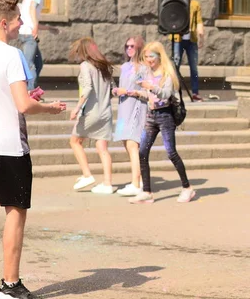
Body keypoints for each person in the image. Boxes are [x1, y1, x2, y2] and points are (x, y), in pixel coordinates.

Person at [0, 0, 65, 298]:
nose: (21, 25)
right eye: (17, 20)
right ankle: (10, 286)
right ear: (4, 22)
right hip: (10, 148)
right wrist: (48, 107)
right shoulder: (11, 56)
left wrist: (27, 100)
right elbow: (23, 106)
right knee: (15, 214)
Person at [129, 41, 196, 204]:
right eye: (146, 57)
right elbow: (150, 95)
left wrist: (150, 87)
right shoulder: (149, 74)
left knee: (171, 152)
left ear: (159, 56)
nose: (148, 60)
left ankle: (187, 188)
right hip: (151, 116)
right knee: (142, 152)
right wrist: (138, 93)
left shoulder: (167, 73)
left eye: (151, 56)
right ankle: (147, 192)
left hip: (166, 116)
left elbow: (165, 94)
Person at [69, 38, 115, 194]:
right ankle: (108, 184)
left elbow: (87, 88)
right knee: (102, 147)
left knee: (75, 141)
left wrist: (77, 108)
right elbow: (112, 90)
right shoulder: (104, 67)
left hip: (91, 112)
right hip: (106, 112)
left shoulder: (85, 66)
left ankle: (87, 174)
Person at [113, 36, 149, 197]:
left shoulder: (143, 68)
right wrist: (117, 91)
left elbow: (148, 92)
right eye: (127, 46)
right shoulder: (125, 66)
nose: (129, 49)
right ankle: (138, 178)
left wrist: (129, 92)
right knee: (125, 142)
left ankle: (136, 183)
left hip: (136, 108)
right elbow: (122, 87)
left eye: (132, 46)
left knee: (133, 144)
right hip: (123, 109)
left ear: (139, 48)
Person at [18, 0, 58, 90]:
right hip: (29, 35)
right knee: (30, 65)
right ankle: (30, 92)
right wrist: (35, 27)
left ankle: (31, 89)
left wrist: (49, 28)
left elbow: (29, 18)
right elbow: (32, 9)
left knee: (38, 63)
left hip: (26, 34)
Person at [170, 0, 204, 102]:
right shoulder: (175, 3)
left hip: (191, 39)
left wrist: (201, 36)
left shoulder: (194, 4)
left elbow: (199, 20)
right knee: (175, 65)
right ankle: (174, 91)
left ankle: (195, 93)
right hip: (178, 38)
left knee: (194, 67)